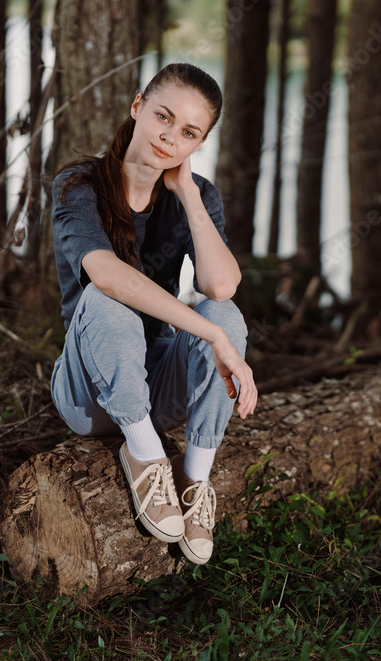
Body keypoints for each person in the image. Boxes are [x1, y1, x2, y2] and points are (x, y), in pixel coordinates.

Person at [49, 63, 257, 565]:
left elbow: (220, 286)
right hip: (88, 394)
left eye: (189, 132)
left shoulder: (197, 195)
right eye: (163, 117)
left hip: (156, 385)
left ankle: (194, 478)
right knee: (109, 299)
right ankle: (144, 454)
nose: (170, 137)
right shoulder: (78, 185)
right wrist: (212, 337)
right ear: (138, 106)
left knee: (225, 313)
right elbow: (107, 276)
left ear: (199, 143)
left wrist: (188, 194)